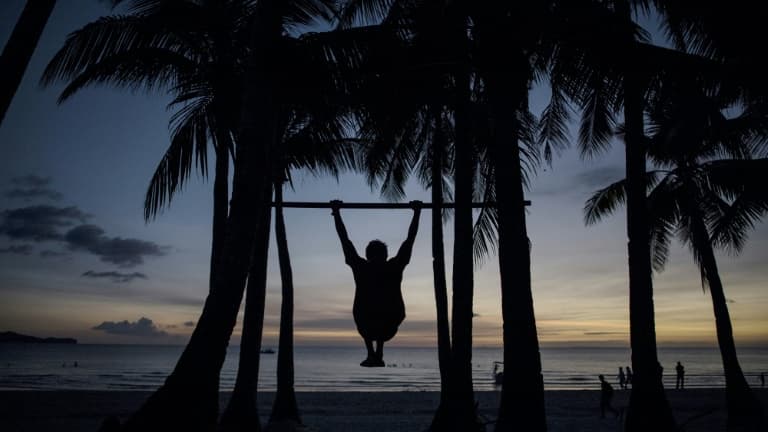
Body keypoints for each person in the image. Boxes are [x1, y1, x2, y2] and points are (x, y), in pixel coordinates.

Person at [332, 200, 421, 367]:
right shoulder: (393, 266)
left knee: (370, 309)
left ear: (367, 255)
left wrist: (336, 213)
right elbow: (409, 240)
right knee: (375, 310)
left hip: (369, 325)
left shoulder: (362, 267)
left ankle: (373, 353)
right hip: (388, 326)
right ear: (386, 255)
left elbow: (345, 240)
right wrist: (417, 213)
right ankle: (377, 352)